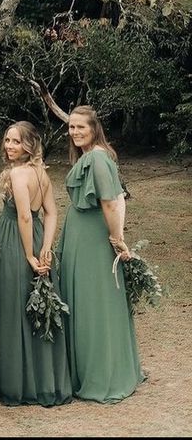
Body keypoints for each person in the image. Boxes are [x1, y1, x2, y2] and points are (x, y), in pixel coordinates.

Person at [58, 105, 144, 402]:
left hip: (93, 237)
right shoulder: (91, 156)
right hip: (80, 233)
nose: (75, 132)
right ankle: (92, 368)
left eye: (81, 127)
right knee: (87, 299)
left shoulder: (96, 158)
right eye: (71, 127)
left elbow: (110, 201)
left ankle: (102, 375)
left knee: (93, 303)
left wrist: (117, 238)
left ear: (94, 128)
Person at [0, 121, 72, 407]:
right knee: (39, 310)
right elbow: (50, 214)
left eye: (15, 141)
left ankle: (20, 385)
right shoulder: (41, 173)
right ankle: (44, 379)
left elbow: (24, 216)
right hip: (37, 237)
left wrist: (29, 255)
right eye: (7, 140)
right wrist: (46, 247)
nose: (9, 146)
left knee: (15, 307)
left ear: (29, 145)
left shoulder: (18, 174)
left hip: (16, 240)